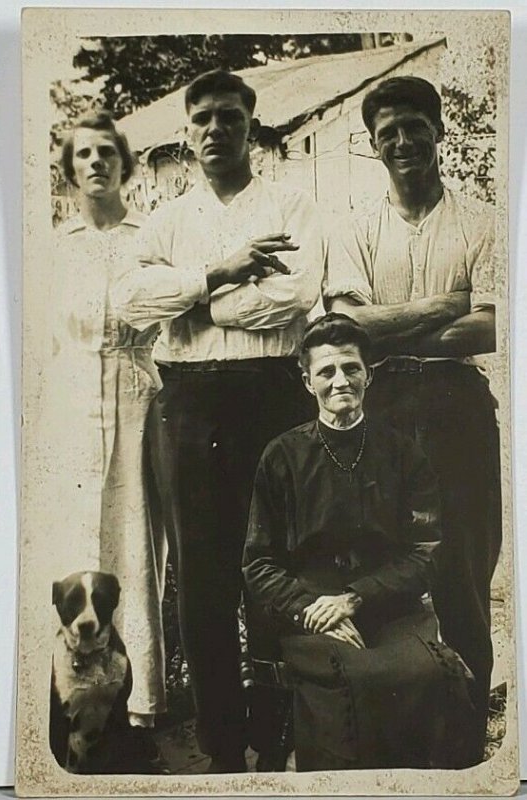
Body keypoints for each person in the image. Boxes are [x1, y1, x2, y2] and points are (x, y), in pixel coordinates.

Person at [112, 69, 324, 772]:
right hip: (191, 400)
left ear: (250, 123)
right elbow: (134, 302)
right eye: (200, 118)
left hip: (273, 392)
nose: (213, 130)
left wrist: (199, 300)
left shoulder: (292, 203)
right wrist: (221, 271)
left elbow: (295, 297)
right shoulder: (166, 221)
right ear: (185, 130)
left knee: (277, 564)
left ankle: (277, 731)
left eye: (227, 117)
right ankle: (223, 744)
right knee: (202, 580)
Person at [324, 76, 501, 765]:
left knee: (461, 574)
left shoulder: (485, 220)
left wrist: (390, 328)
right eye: (387, 131)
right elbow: (346, 329)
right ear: (373, 145)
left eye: (414, 126)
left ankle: (463, 746)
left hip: (457, 406)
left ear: (439, 132)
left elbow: (489, 327)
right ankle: (391, 738)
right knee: (378, 567)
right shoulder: (355, 229)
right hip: (381, 406)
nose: (402, 141)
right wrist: (442, 305)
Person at [243, 313, 475, 771]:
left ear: (369, 373)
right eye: (326, 371)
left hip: (387, 605)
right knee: (348, 682)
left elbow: (426, 551)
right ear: (308, 382)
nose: (340, 381)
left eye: (351, 368)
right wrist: (311, 608)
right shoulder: (281, 456)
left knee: (425, 673)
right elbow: (259, 563)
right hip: (310, 611)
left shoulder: (402, 451)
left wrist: (354, 599)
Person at [46, 112, 168, 769]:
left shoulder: (150, 240)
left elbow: (172, 321)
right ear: (69, 171)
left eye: (107, 153)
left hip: (134, 400)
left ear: (125, 163)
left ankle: (137, 701)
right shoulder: (54, 247)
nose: (96, 163)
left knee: (134, 544)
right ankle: (64, 700)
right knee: (69, 543)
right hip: (68, 407)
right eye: (83, 155)